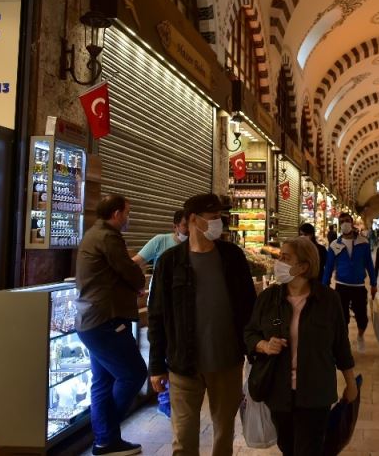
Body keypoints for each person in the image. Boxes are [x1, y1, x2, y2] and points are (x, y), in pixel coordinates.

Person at [148, 193, 257, 456]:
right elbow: (157, 315)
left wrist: (255, 348)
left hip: (227, 362)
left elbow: (250, 306)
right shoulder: (169, 262)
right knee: (183, 439)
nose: (219, 223)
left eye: (221, 217)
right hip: (183, 364)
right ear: (194, 220)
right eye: (213, 218)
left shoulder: (232, 257)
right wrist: (155, 366)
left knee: (224, 434)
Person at [245, 237, 357, 456]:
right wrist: (264, 345)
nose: (279, 262)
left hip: (315, 392)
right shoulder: (269, 299)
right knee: (288, 447)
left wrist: (351, 383)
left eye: (285, 257)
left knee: (308, 450)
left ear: (304, 266)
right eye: (280, 257)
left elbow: (341, 345)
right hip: (278, 390)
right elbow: (250, 333)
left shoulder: (328, 300)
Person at [75, 194, 147, 456]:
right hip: (105, 320)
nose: (129, 217)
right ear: (117, 214)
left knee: (103, 381)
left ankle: (106, 442)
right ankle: (106, 431)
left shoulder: (95, 233)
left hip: (91, 321)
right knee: (134, 374)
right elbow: (128, 269)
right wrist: (139, 284)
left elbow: (113, 274)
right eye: (127, 212)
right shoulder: (108, 237)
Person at [132, 210, 188, 418]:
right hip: (162, 306)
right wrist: (135, 285)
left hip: (184, 309)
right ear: (175, 226)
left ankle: (175, 396)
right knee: (162, 348)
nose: (188, 231)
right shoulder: (160, 242)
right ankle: (164, 399)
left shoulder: (196, 246)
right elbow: (136, 261)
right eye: (184, 226)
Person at [322, 212, 377, 353]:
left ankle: (360, 336)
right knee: (342, 318)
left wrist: (374, 283)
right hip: (342, 286)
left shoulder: (363, 242)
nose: (345, 223)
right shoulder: (335, 245)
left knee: (362, 318)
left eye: (347, 220)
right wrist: (324, 285)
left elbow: (369, 264)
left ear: (352, 223)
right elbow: (328, 267)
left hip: (358, 286)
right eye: (342, 221)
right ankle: (344, 345)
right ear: (339, 224)